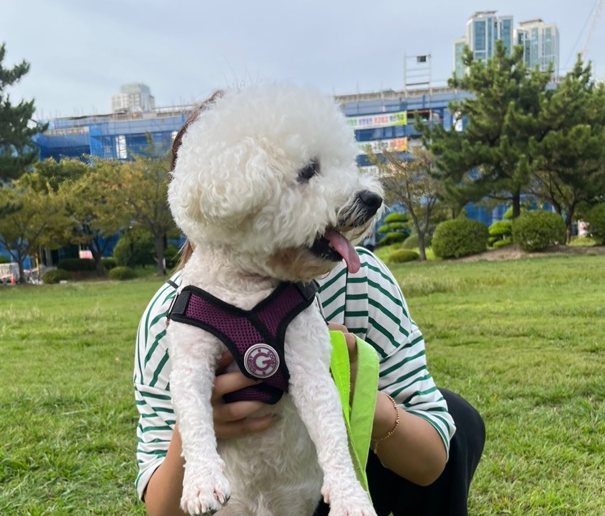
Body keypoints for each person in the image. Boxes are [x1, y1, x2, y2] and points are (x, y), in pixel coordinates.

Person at [134, 103, 485, 515]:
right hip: (230, 498)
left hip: (323, 490)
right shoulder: (177, 313)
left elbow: (432, 461)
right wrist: (194, 428)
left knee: (457, 416)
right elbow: (160, 509)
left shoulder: (358, 277)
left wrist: (357, 392)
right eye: (305, 175)